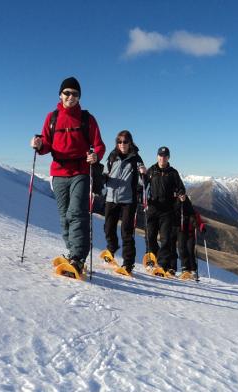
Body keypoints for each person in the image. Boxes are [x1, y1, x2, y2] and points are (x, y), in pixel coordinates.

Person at [30, 77, 105, 274]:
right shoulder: (52, 117)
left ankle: (78, 258)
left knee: (76, 213)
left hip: (80, 170)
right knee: (64, 217)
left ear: (80, 97)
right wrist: (38, 145)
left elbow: (99, 145)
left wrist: (96, 155)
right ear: (60, 95)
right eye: (67, 93)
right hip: (58, 173)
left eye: (75, 94)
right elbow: (46, 144)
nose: (71, 97)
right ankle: (72, 252)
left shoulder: (87, 119)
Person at [103, 130, 146, 274]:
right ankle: (111, 249)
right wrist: (102, 179)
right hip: (111, 197)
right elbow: (107, 172)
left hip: (128, 199)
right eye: (119, 141)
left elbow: (142, 180)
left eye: (125, 141)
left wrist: (143, 174)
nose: (122, 144)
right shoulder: (112, 156)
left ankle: (128, 263)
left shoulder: (136, 158)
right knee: (108, 227)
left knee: (126, 231)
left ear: (130, 143)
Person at [145, 147, 186, 274]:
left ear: (168, 157)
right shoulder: (151, 170)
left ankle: (162, 265)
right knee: (150, 237)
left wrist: (181, 194)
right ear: (157, 156)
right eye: (160, 155)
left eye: (165, 156)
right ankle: (153, 259)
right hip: (152, 208)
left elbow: (180, 188)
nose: (162, 158)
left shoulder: (173, 172)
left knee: (165, 239)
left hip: (167, 210)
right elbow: (142, 185)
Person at [175, 197, 206, 275]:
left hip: (190, 234)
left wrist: (202, 227)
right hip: (181, 233)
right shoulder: (180, 212)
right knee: (182, 250)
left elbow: (199, 222)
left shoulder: (194, 213)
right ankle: (185, 268)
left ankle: (192, 269)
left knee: (190, 251)